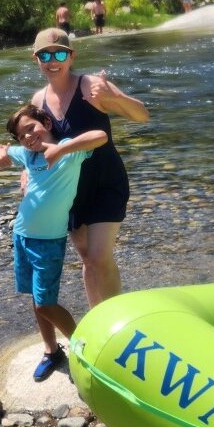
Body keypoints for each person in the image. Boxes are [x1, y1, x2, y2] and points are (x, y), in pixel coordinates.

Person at [29, 27, 149, 308]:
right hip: (70, 190)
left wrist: (115, 98)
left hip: (106, 181)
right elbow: (37, 146)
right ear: (36, 59)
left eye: (59, 53)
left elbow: (142, 115)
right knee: (87, 258)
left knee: (98, 256)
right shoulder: (38, 101)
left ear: (71, 57)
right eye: (45, 55)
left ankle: (118, 318)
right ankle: (98, 318)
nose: (52, 60)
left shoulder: (90, 85)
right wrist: (26, 174)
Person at [0, 103, 107, 381]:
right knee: (36, 297)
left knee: (44, 303)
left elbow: (100, 136)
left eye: (31, 128)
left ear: (47, 123)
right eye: (21, 136)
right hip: (22, 235)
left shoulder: (70, 151)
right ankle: (51, 350)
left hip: (48, 240)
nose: (28, 137)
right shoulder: (29, 156)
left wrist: (62, 149)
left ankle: (83, 347)